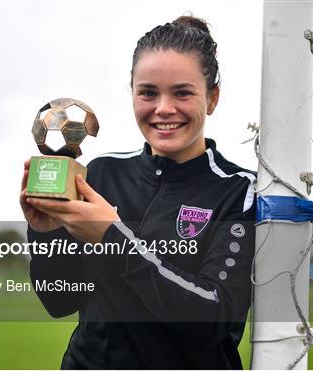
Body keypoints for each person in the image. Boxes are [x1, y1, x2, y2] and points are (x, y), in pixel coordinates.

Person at [19, 15, 256, 369]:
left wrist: (111, 236)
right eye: (148, 92)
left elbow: (212, 319)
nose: (163, 108)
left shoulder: (238, 190)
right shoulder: (101, 173)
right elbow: (61, 301)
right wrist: (45, 233)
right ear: (131, 92)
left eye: (182, 92)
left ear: (212, 97)